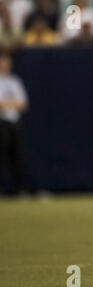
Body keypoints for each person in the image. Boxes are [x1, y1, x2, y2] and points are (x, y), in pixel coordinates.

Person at [0, 52, 28, 195]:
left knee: (17, 156)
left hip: (14, 123)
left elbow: (23, 104)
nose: (5, 65)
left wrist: (6, 104)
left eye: (7, 62)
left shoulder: (15, 81)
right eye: (2, 62)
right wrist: (12, 104)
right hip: (1, 123)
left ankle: (19, 189)